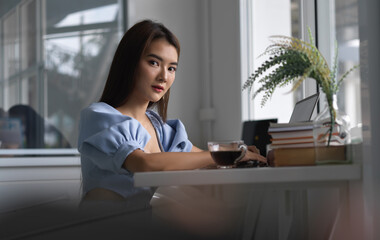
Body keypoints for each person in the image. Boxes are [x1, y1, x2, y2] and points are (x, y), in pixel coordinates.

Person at [77, 19, 266, 201]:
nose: (164, 77)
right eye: (154, 63)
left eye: (171, 68)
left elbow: (200, 160)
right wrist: (224, 155)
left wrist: (240, 156)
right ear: (129, 63)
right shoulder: (99, 117)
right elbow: (143, 164)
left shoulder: (160, 128)